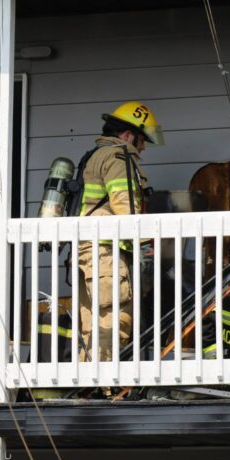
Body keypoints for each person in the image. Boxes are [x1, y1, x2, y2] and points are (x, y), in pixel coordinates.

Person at [76, 101, 163, 368]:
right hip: (106, 252)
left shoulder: (95, 154)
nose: (143, 147)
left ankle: (88, 381)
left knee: (93, 320)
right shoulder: (119, 155)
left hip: (89, 250)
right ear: (127, 135)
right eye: (141, 140)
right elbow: (127, 209)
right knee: (114, 318)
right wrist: (149, 242)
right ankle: (103, 384)